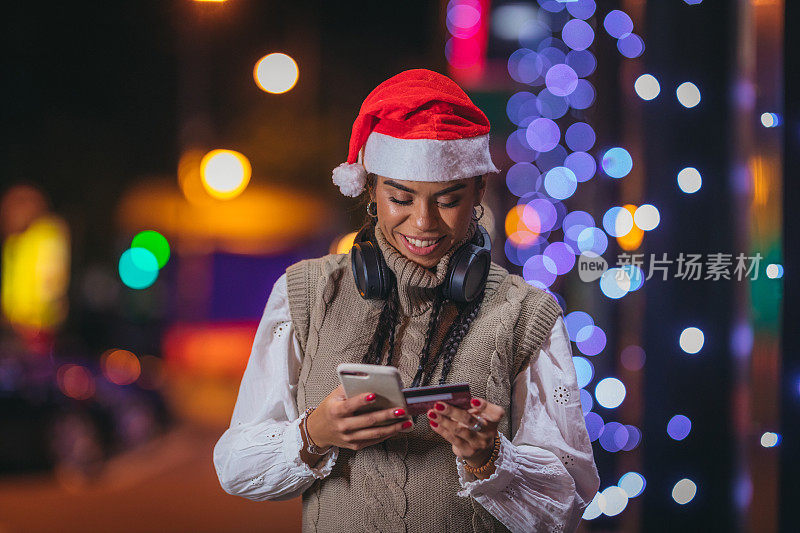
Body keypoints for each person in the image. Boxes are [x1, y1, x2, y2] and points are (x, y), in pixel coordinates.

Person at [213, 69, 600, 533]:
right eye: (400, 198)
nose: (423, 222)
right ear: (371, 189)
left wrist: (491, 460)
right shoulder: (307, 293)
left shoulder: (526, 313)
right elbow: (235, 467)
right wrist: (314, 435)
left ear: (479, 190)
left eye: (448, 200)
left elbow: (569, 503)